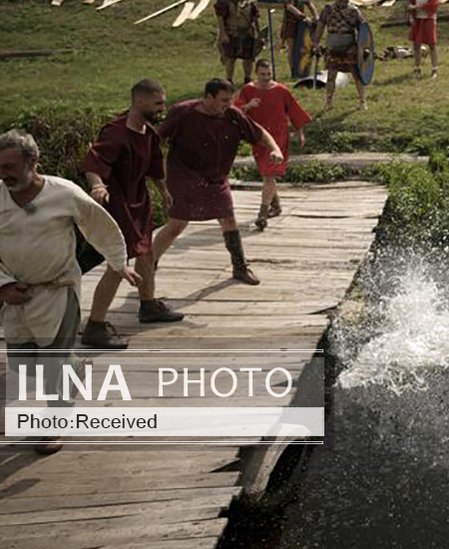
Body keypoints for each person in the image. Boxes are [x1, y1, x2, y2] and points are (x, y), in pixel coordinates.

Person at [0, 130, 138, 455]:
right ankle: (74, 365)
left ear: (33, 162)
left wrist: (118, 262)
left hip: (57, 290)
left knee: (52, 365)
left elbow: (98, 224)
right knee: (24, 365)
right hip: (15, 292)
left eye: (10, 167)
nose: (3, 175)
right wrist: (1, 284)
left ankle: (55, 423)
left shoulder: (63, 193)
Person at [81, 79, 183, 350]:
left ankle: (148, 306)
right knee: (118, 262)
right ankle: (95, 326)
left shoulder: (148, 133)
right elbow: (95, 163)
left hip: (140, 201)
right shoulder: (114, 132)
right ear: (140, 102)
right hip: (118, 204)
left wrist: (163, 191)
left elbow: (154, 167)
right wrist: (97, 185)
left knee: (147, 252)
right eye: (158, 103)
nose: (163, 108)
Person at [152, 78, 284, 286]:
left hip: (216, 176)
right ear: (208, 97)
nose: (227, 105)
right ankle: (149, 262)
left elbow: (259, 133)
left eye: (230, 100)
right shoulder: (183, 113)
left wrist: (274, 148)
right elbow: (156, 139)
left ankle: (240, 267)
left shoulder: (232, 115)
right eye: (223, 100)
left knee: (228, 218)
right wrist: (152, 166)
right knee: (177, 224)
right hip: (183, 174)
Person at [234, 60, 312, 230]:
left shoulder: (281, 90)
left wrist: (300, 132)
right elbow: (234, 111)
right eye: (262, 74)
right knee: (266, 174)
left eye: (268, 74)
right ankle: (276, 205)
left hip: (278, 137)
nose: (266, 78)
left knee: (269, 175)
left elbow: (293, 111)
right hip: (259, 136)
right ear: (256, 73)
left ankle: (262, 214)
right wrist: (248, 105)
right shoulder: (247, 90)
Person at [312, 0, 367, 111]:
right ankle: (328, 102)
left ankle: (363, 101)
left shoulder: (354, 11)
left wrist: (363, 47)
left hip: (350, 48)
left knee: (357, 75)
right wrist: (315, 43)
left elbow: (363, 29)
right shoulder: (327, 9)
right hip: (333, 47)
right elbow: (320, 26)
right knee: (331, 76)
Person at [214, 0, 260, 86]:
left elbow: (255, 17)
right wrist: (223, 34)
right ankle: (229, 80)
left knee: (249, 58)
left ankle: (247, 78)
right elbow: (220, 18)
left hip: (247, 32)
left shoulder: (249, 1)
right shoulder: (224, 1)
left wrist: (258, 32)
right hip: (231, 32)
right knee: (230, 58)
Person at [407, 0, 440, 79]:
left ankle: (434, 69)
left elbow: (433, 4)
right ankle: (417, 67)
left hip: (429, 19)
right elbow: (410, 3)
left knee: (432, 44)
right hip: (417, 19)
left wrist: (416, 7)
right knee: (416, 44)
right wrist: (411, 14)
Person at [281, 0, 317, 79]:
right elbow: (289, 7)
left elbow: (311, 5)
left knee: (304, 47)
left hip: (302, 25)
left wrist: (316, 17)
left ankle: (302, 70)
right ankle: (293, 72)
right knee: (291, 48)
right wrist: (303, 16)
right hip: (290, 23)